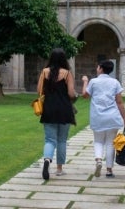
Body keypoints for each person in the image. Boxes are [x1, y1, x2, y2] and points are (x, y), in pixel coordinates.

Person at [81, 59, 125, 178]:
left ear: (101, 68)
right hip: (112, 117)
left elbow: (85, 95)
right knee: (110, 143)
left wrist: (85, 81)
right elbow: (119, 102)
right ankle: (109, 170)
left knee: (98, 141)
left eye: (98, 67)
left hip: (98, 117)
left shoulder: (93, 82)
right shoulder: (115, 82)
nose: (97, 69)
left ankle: (98, 160)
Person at [37, 48, 77, 180]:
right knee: (61, 140)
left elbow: (39, 90)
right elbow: (71, 93)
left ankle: (47, 160)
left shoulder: (44, 72)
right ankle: (59, 169)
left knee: (49, 140)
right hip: (64, 109)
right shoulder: (67, 73)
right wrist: (75, 95)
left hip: (49, 108)